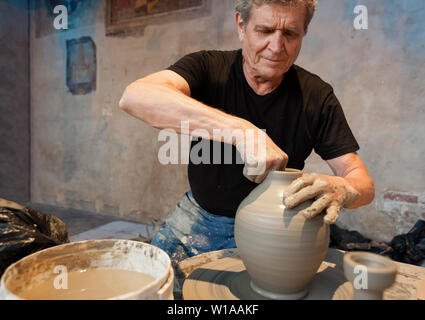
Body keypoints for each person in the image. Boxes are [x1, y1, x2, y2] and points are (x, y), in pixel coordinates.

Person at [119, 0, 375, 267]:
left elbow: (363, 183)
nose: (277, 48)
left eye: (290, 33)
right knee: (153, 280)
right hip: (200, 216)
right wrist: (242, 131)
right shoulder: (208, 68)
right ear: (242, 26)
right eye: (264, 31)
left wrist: (342, 188)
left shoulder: (316, 96)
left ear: (304, 33)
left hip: (276, 224)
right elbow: (135, 97)